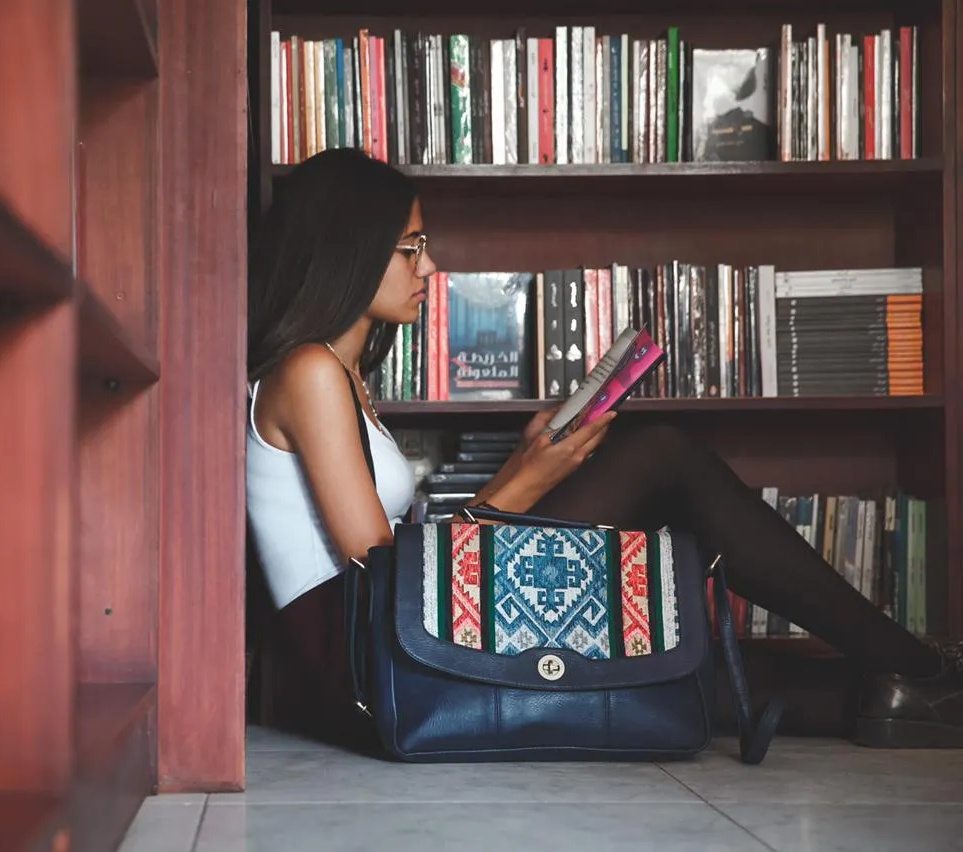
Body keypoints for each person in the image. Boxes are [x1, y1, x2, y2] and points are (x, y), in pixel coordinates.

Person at [244, 147, 963, 753]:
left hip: (391, 636)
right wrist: (523, 485)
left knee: (682, 670)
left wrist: (522, 470)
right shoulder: (306, 372)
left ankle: (914, 690)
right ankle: (915, 666)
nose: (429, 267)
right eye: (409, 248)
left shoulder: (340, 378)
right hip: (368, 664)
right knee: (659, 458)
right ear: (348, 251)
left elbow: (413, 571)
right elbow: (384, 572)